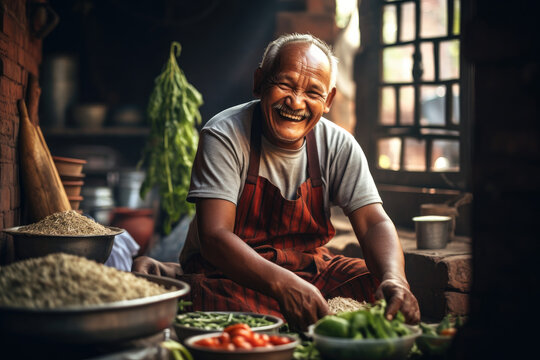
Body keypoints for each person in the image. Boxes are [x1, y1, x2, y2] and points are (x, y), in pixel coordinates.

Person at [133, 33, 420, 331]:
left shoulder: (338, 144)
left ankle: (172, 274)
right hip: (231, 273)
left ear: (329, 100)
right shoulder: (224, 134)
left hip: (309, 268)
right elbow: (215, 237)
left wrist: (394, 278)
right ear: (259, 83)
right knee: (228, 310)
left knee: (379, 289)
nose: (296, 102)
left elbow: (374, 222)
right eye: (285, 84)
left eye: (313, 92)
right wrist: (283, 285)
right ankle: (179, 278)